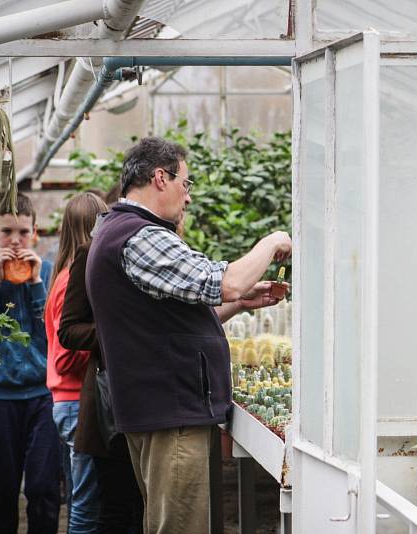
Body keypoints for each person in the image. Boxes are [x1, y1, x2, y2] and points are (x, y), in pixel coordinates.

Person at [86, 136, 292, 533]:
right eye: (187, 184)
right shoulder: (140, 235)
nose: (189, 197)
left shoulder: (122, 230)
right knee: (179, 526)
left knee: (167, 521)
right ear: (160, 178)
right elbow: (227, 281)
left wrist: (241, 304)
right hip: (170, 412)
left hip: (160, 409)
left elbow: (174, 315)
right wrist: (270, 242)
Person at [0, 193, 60, 534]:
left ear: (35, 232)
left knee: (43, 489)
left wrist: (37, 285)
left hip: (42, 397)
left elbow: (54, 338)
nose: (15, 241)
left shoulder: (48, 273)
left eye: (23, 232)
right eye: (7, 232)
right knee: (1, 492)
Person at [58, 225, 144, 534]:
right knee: (115, 508)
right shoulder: (91, 252)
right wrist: (118, 331)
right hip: (110, 405)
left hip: (156, 401)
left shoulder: (168, 248)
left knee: (147, 510)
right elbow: (68, 329)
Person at [45, 192, 108, 533]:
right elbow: (66, 356)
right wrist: (106, 341)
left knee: (80, 499)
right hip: (74, 402)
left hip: (65, 403)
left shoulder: (62, 277)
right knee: (86, 507)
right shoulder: (73, 280)